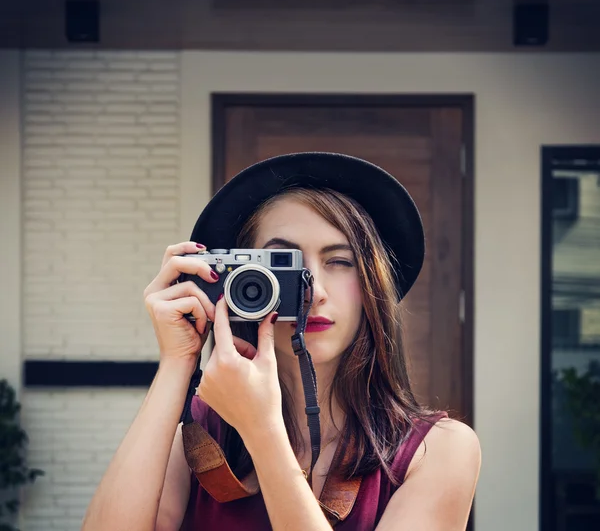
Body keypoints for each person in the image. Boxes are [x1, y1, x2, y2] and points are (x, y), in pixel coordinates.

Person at [82, 152, 481, 531]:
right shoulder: (198, 433)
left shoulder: (439, 451)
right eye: (282, 266)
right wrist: (177, 361)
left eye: (339, 262)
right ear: (238, 283)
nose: (315, 291)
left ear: (372, 284)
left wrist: (264, 433)